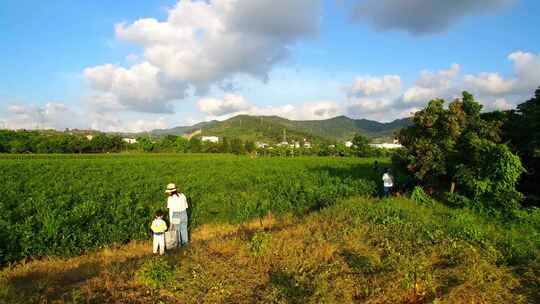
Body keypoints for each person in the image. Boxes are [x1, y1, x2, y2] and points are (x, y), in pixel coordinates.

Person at [165, 183, 189, 247]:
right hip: (184, 213)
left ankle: (179, 245)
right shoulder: (182, 195)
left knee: (177, 231)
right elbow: (186, 206)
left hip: (176, 215)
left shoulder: (170, 198)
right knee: (184, 229)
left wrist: (171, 222)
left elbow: (171, 211)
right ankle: (185, 244)